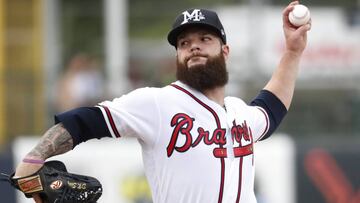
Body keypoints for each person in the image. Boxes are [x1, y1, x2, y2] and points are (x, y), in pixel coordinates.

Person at [14, 1, 311, 203]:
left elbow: (271, 108)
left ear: (225, 50)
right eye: (184, 43)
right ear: (178, 56)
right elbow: (86, 121)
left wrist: (293, 52)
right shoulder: (157, 103)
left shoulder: (239, 113)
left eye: (205, 38)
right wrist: (33, 160)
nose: (193, 45)